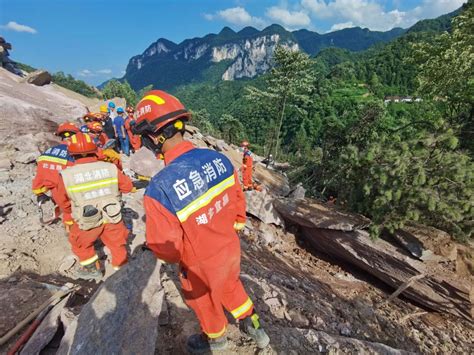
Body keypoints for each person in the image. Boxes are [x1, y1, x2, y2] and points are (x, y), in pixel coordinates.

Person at [134, 90, 269, 353]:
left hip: (199, 263)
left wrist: (175, 253)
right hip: (230, 247)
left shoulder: (160, 188)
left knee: (204, 301)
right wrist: (235, 224)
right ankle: (254, 325)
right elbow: (238, 200)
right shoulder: (218, 160)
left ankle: (216, 341)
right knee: (231, 284)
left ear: (154, 137)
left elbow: (168, 249)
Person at [55, 132, 144, 280]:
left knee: (80, 244)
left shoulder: (66, 175)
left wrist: (69, 214)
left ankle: (92, 269)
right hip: (112, 215)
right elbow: (128, 187)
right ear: (95, 150)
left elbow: (62, 201)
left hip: (87, 219)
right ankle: (122, 272)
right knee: (118, 244)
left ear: (71, 154)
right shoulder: (109, 168)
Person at [32, 122, 78, 223]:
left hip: (56, 193)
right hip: (73, 192)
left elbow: (40, 175)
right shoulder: (77, 153)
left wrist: (39, 191)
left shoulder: (47, 153)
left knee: (67, 213)